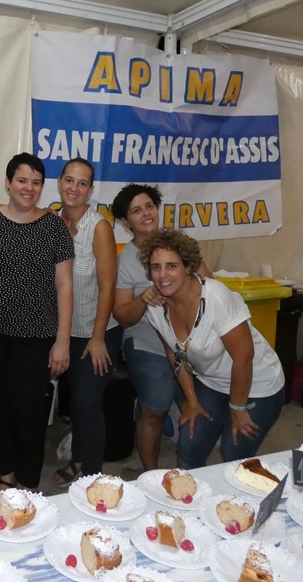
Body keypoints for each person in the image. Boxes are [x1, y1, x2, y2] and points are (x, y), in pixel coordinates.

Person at [139, 228, 285, 469]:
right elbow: (174, 353)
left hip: (258, 382)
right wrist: (191, 398)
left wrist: (237, 408)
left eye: (171, 266)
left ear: (188, 266)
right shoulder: (155, 306)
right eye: (156, 267)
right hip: (213, 382)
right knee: (190, 445)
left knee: (234, 451)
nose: (162, 275)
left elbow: (244, 357)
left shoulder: (216, 297)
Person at [0, 152, 74, 492]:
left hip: (38, 335)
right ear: (7, 183)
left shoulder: (53, 226)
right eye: (21, 180)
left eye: (36, 182)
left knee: (29, 412)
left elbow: (64, 285)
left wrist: (62, 341)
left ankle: (30, 483)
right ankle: (6, 474)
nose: (28, 188)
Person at [51, 159, 121, 486]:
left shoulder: (100, 227)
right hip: (66, 331)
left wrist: (97, 338)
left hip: (97, 331)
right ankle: (79, 459)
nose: (74, 188)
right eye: (69, 180)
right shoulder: (51, 222)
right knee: (75, 406)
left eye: (82, 183)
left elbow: (108, 287)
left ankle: (93, 479)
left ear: (90, 190)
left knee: (87, 404)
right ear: (59, 183)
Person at [110, 184, 183, 471]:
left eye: (149, 206)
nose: (146, 214)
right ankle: (151, 474)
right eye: (137, 211)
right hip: (146, 341)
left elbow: (208, 282)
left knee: (200, 404)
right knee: (154, 410)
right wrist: (143, 298)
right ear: (126, 222)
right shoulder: (126, 261)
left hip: (186, 339)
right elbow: (123, 316)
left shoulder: (178, 243)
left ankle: (192, 467)